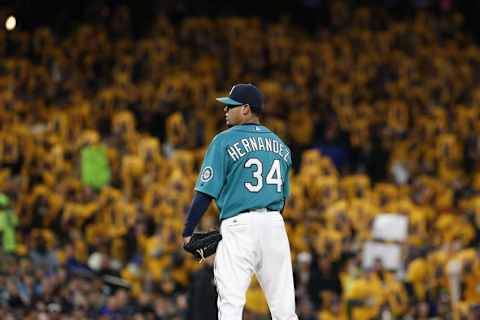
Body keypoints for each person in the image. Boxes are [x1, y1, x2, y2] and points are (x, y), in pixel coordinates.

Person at [183, 84, 298, 319]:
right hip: (274, 224)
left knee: (231, 304)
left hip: (239, 226)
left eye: (230, 106)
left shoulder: (224, 141)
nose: (225, 110)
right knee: (284, 308)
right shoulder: (281, 146)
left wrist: (187, 230)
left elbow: (205, 192)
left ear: (245, 109)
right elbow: (283, 197)